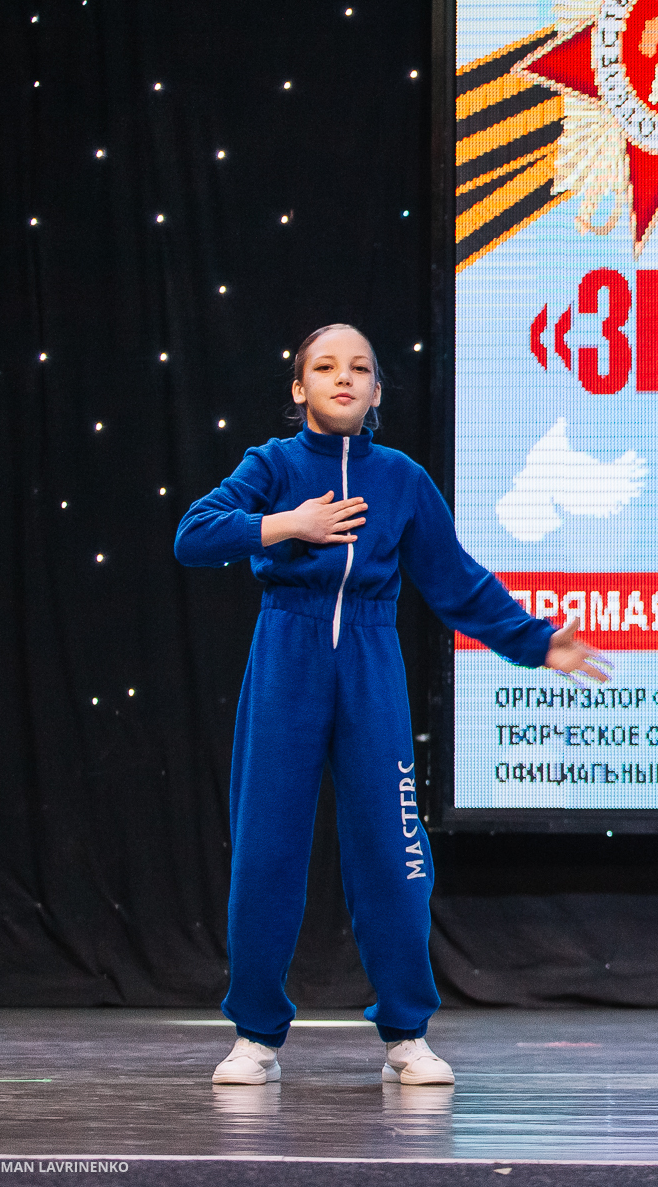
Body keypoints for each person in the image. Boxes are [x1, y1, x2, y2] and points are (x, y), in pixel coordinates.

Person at [175, 324, 610, 1087]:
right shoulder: (271, 466)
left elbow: (456, 580)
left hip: (371, 663)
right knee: (267, 848)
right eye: (324, 366)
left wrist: (537, 641)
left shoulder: (402, 479)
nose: (343, 377)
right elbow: (194, 535)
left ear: (376, 390)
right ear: (299, 387)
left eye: (359, 368)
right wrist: (289, 524)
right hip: (286, 655)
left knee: (393, 848)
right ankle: (255, 1037)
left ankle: (407, 1033)